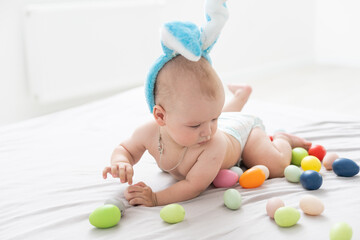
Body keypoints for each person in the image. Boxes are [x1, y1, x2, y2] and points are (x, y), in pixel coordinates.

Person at [102, 0, 311, 207]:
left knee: (275, 166)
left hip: (243, 134)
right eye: (195, 125)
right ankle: (239, 97)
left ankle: (282, 139)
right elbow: (125, 149)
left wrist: (156, 198)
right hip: (228, 123)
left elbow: (193, 185)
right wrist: (121, 162)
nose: (208, 132)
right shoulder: (147, 132)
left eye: (214, 119)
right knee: (213, 116)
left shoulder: (213, 146)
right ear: (161, 116)